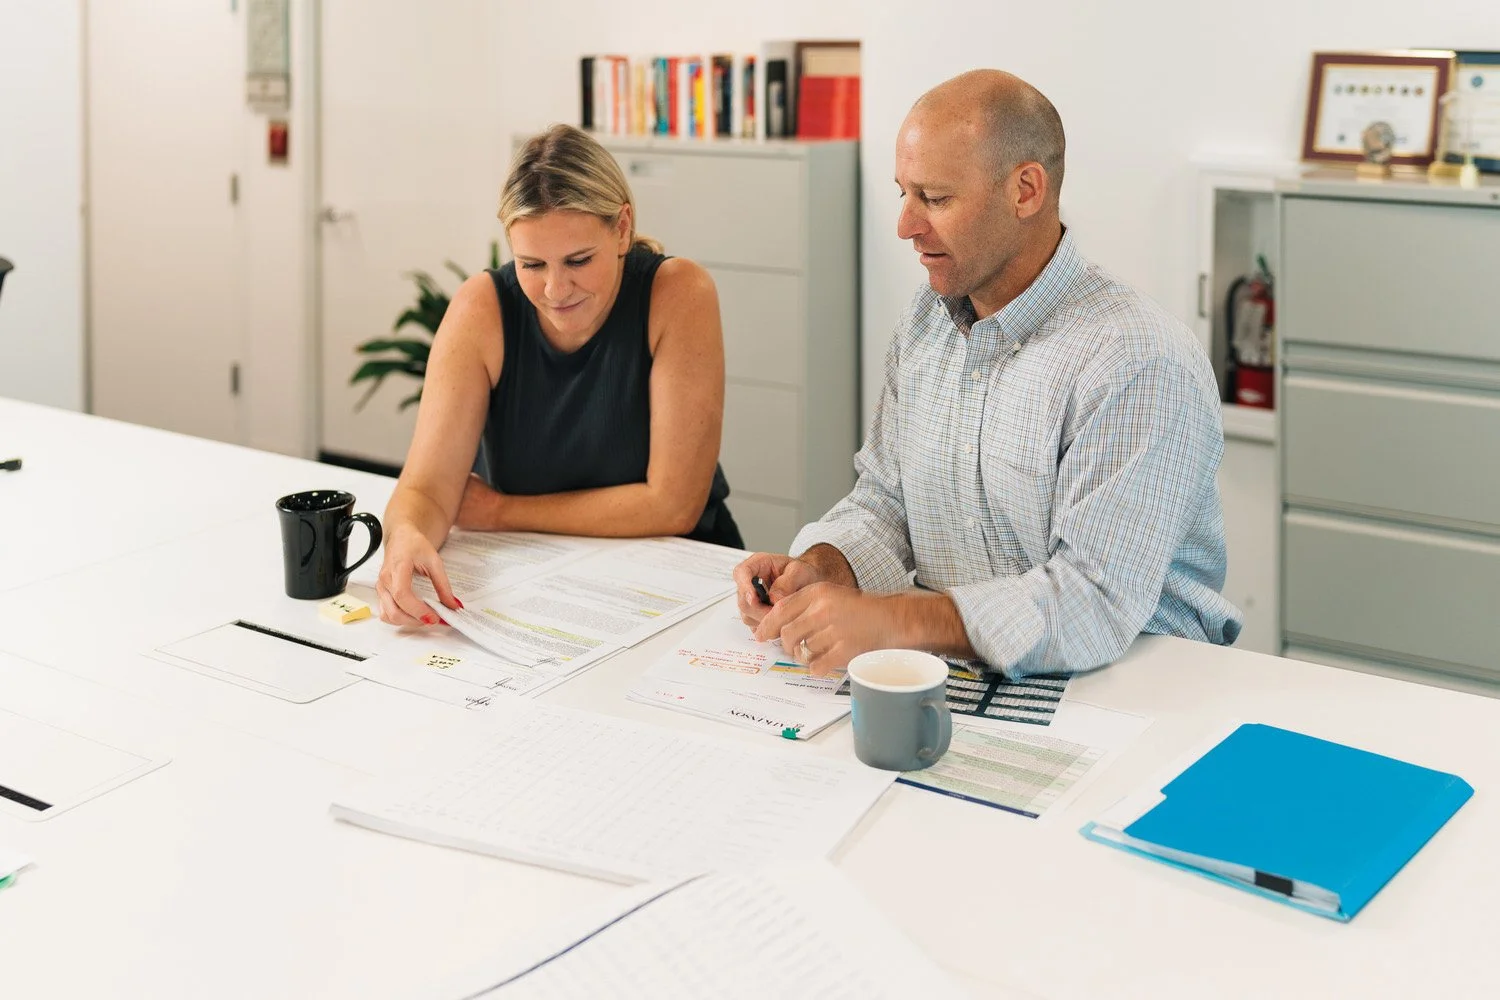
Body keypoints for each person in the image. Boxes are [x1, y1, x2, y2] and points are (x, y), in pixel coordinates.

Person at [735, 70, 1241, 677]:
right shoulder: (928, 321)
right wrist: (824, 567)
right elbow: (885, 501)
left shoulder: (1137, 362)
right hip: (972, 673)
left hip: (1134, 685)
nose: (905, 225)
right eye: (904, 193)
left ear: (1026, 190)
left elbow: (1092, 604)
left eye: (936, 198)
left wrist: (897, 620)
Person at [377, 124, 741, 627]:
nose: (554, 289)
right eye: (531, 264)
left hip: (678, 574)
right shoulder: (480, 309)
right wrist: (407, 538)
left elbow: (673, 505)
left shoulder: (678, 294)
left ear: (621, 229)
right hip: (537, 577)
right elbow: (426, 491)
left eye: (578, 260)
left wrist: (501, 511)